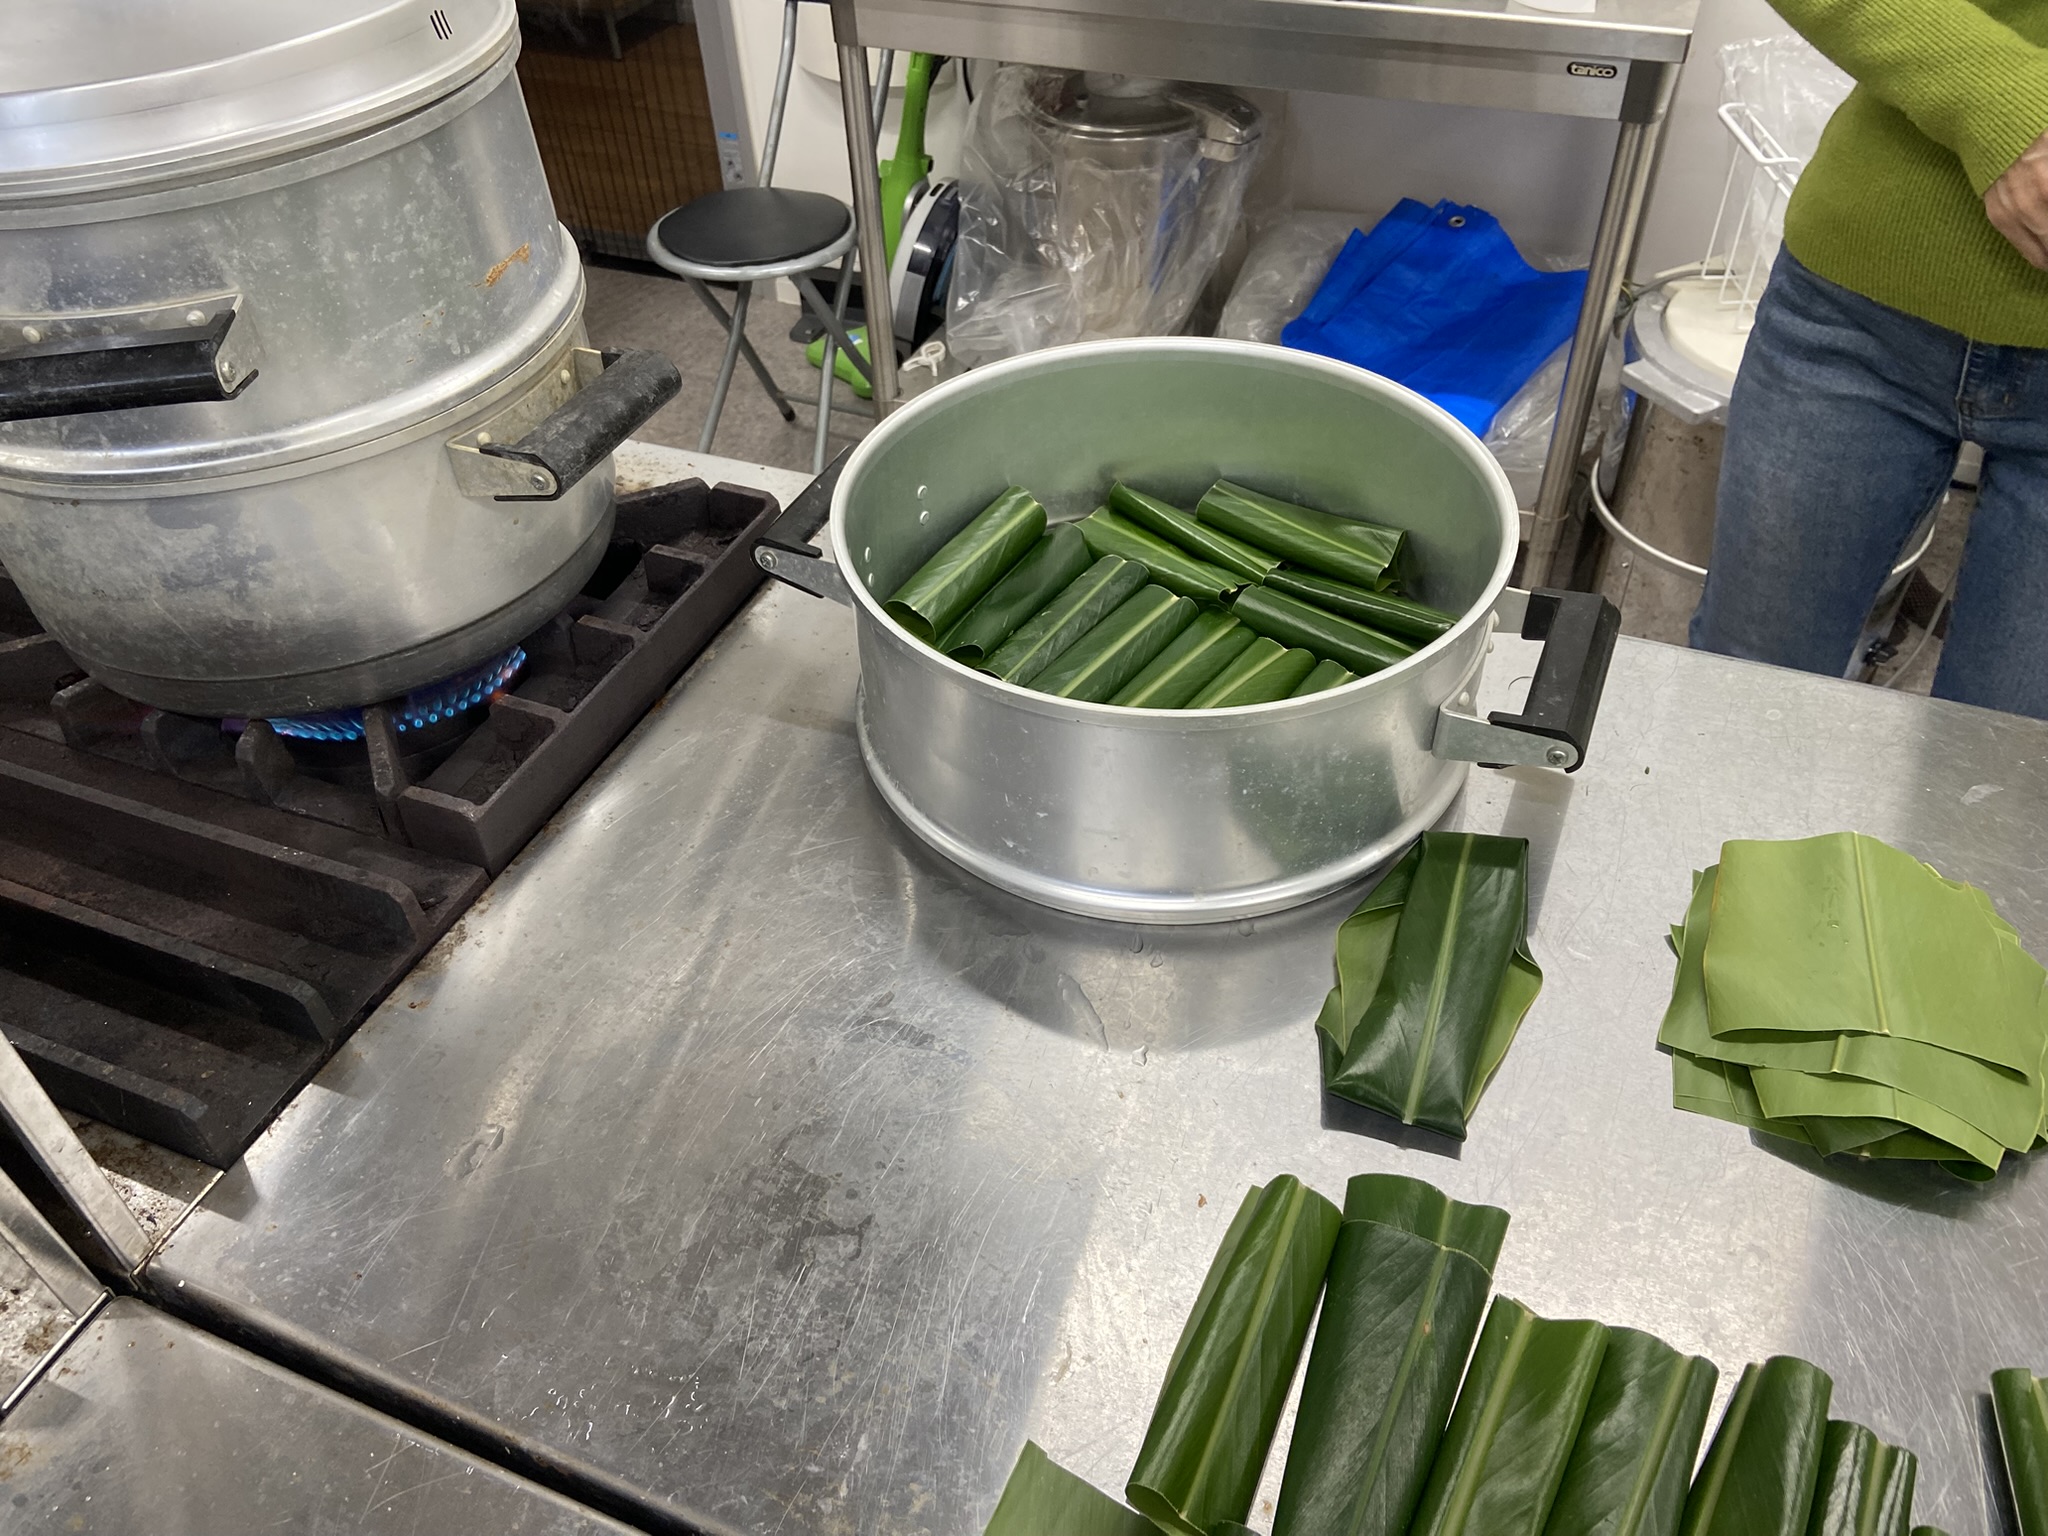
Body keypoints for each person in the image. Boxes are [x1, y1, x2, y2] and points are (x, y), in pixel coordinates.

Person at [1689, 0, 2048, 719]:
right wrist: (2008, 110)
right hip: (1858, 303)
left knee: (2007, 769)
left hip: (1858, 288)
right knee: (1740, 699)